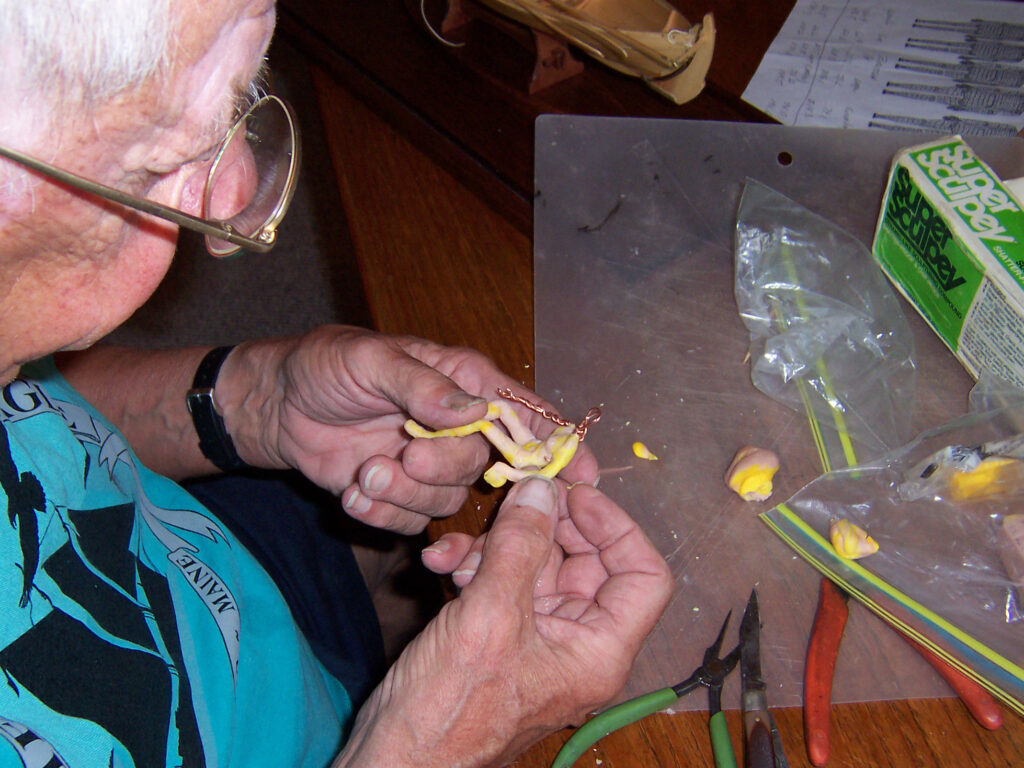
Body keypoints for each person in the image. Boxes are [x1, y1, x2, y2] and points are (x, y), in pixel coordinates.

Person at [0, 1, 674, 767]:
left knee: (386, 544)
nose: (238, 206)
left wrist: (257, 401)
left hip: (221, 577)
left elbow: (41, 418)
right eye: (155, 156)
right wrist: (430, 747)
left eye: (238, 94)